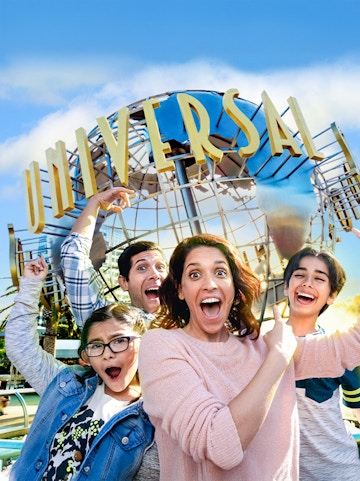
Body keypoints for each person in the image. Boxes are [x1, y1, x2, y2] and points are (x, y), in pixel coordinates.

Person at [138, 231, 360, 481]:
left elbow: (350, 348)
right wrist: (278, 357)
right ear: (180, 289)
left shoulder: (261, 346)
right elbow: (220, 447)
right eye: (195, 274)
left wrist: (278, 351)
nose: (210, 284)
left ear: (234, 288)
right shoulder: (161, 345)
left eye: (220, 273)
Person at [5, 255, 159, 481]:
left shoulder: (153, 415)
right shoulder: (67, 384)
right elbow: (20, 347)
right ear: (87, 356)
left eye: (119, 341)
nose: (108, 353)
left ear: (143, 343)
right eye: (96, 345)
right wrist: (30, 284)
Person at [283, 245, 360, 480]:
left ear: (332, 295)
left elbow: (357, 407)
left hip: (339, 472)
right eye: (299, 275)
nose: (307, 283)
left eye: (319, 278)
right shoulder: (259, 347)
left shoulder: (339, 349)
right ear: (286, 287)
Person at [60, 187, 168, 329]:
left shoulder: (193, 317)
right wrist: (95, 203)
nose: (155, 275)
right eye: (142, 268)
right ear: (123, 282)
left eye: (160, 267)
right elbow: (72, 256)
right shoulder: (109, 322)